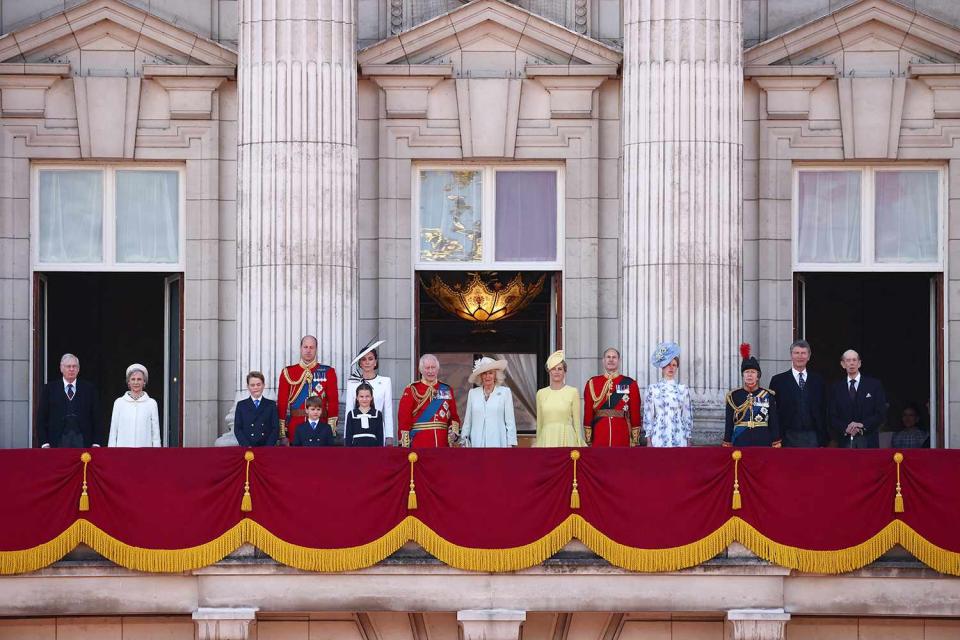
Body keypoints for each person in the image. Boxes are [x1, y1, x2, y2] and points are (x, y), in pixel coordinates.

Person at [277, 335, 338, 444]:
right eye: (305, 347)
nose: (308, 350)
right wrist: (282, 433)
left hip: (321, 428)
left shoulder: (328, 372)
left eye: (311, 347)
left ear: (316, 349)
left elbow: (333, 402)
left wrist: (331, 430)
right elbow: (282, 403)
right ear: (300, 349)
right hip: (294, 428)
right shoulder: (288, 372)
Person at [768, 340, 827, 448]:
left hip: (813, 436)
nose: (800, 356)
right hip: (786, 436)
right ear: (791, 355)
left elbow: (824, 408)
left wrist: (824, 439)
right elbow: (772, 411)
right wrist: (775, 437)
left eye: (803, 353)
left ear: (808, 356)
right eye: (796, 353)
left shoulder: (818, 380)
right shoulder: (778, 380)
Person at [723, 344, 781, 448]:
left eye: (753, 372)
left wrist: (776, 440)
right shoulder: (733, 396)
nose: (750, 375)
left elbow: (773, 421)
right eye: (747, 372)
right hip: (740, 439)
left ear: (758, 376)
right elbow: (729, 423)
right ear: (743, 375)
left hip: (763, 439)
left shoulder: (768, 395)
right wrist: (727, 441)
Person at [37, 353, 100, 448]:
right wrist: (44, 443)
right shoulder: (49, 389)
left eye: (74, 366)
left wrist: (96, 442)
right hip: (56, 442)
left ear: (78, 369)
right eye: (68, 366)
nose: (71, 369)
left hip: (83, 442)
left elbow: (97, 417)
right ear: (61, 368)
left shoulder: (89, 389)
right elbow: (41, 418)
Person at [397, 354, 461, 448]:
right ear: (421, 370)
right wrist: (405, 445)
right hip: (420, 442)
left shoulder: (446, 389)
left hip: (442, 443)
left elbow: (454, 416)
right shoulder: (412, 389)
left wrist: (453, 434)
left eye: (433, 367)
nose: (430, 371)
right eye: (427, 368)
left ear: (438, 369)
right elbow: (404, 418)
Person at [583, 348, 642, 447]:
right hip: (600, 433)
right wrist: (589, 436)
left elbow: (635, 411)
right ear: (603, 361)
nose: (611, 360)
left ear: (619, 361)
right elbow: (588, 411)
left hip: (622, 433)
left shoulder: (630, 383)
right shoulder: (592, 382)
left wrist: (635, 437)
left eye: (614, 357)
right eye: (608, 357)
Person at [828, 349, 887, 449]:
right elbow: (832, 416)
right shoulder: (836, 388)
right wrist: (845, 428)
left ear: (859, 363)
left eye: (854, 360)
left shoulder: (874, 385)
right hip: (845, 441)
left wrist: (862, 425)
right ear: (843, 364)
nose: (851, 363)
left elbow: (881, 413)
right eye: (848, 360)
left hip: (868, 440)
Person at [642, 342, 693, 447]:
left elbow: (687, 415)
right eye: (668, 364)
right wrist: (648, 439)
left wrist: (688, 438)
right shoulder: (653, 388)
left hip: (679, 435)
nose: (671, 368)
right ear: (662, 367)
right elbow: (648, 415)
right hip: (659, 435)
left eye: (674, 365)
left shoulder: (683, 389)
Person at [345, 339, 394, 446]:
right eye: (363, 359)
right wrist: (346, 437)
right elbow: (349, 409)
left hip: (378, 431)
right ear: (360, 363)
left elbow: (388, 410)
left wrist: (389, 436)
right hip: (357, 433)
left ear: (375, 362)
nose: (367, 362)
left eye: (370, 359)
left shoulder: (385, 381)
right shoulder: (352, 382)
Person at [461, 356, 517, 448]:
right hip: (477, 443)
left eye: (490, 373)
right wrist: (464, 440)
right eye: (484, 374)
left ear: (495, 375)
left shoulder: (505, 392)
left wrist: (510, 444)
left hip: (498, 442)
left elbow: (510, 421)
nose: (487, 377)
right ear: (480, 376)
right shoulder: (473, 393)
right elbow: (468, 420)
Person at [535, 350, 584, 447]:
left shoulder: (573, 392)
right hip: (547, 439)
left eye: (560, 369)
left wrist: (579, 443)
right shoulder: (541, 394)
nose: (556, 372)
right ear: (549, 371)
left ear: (565, 371)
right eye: (553, 369)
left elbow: (577, 423)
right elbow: (539, 423)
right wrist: (538, 443)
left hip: (567, 438)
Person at [108, 364, 161, 447]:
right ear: (128, 382)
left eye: (139, 379)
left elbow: (155, 433)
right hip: (123, 452)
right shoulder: (119, 403)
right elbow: (113, 431)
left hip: (145, 452)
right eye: (133, 379)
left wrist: (157, 453)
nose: (136, 382)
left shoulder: (151, 403)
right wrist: (111, 452)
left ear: (144, 382)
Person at [233, 371, 279, 447]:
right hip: (248, 448)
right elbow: (237, 429)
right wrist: (246, 445)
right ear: (248, 386)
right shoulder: (241, 405)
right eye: (252, 385)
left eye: (258, 384)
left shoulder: (271, 405)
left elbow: (275, 428)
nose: (255, 388)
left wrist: (268, 446)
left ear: (263, 385)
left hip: (266, 448)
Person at [344, 382, 385, 447]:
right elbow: (348, 437)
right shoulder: (351, 414)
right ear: (357, 398)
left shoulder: (377, 414)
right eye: (361, 396)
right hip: (355, 450)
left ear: (371, 397)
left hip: (373, 450)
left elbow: (380, 437)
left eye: (367, 396)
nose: (364, 399)